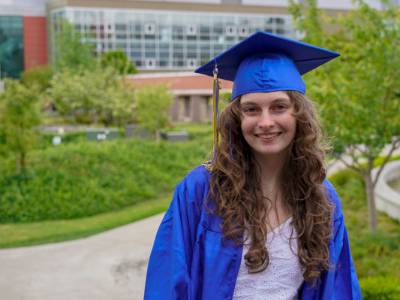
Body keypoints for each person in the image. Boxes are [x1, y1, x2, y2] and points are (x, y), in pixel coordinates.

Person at [144, 31, 362, 300]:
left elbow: (338, 290)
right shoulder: (201, 191)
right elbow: (167, 284)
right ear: (237, 118)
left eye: (279, 106)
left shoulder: (323, 199)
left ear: (299, 116)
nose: (266, 122)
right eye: (252, 109)